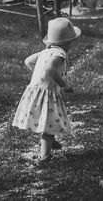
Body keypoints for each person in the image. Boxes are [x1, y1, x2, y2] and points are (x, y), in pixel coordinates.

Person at [12, 17, 81, 166]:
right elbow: (50, 68)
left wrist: (39, 75)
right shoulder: (60, 54)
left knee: (48, 121)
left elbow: (28, 61)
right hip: (46, 94)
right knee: (48, 128)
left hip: (35, 91)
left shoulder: (45, 52)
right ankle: (44, 157)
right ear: (67, 42)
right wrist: (64, 85)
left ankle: (51, 143)